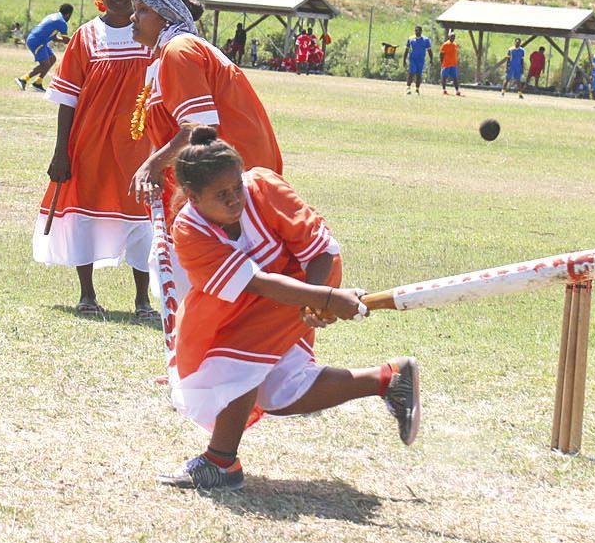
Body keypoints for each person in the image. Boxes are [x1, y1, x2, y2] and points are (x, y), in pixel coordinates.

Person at [157, 128, 420, 491]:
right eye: (222, 195)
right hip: (251, 296)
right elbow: (256, 283)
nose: (235, 200)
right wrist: (323, 300)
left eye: (237, 188)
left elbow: (321, 250)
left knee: (236, 359)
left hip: (313, 274)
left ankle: (221, 462)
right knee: (279, 391)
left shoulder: (263, 187)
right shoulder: (189, 230)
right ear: (193, 197)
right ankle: (388, 379)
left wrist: (319, 294)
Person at [38, 0, 157, 319]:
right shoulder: (86, 37)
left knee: (142, 218)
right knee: (85, 215)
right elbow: (67, 98)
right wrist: (62, 151)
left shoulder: (150, 37)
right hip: (89, 143)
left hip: (138, 144)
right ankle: (87, 296)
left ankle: (143, 301)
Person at [128, 0, 283, 253]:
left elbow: (200, 130)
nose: (133, 17)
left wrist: (151, 165)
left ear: (165, 17)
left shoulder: (179, 51)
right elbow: (173, 128)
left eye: (141, 10)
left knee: (219, 282)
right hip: (223, 180)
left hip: (227, 183)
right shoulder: (170, 54)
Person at [18, 2, 74, 92]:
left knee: (52, 59)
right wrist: (77, 39)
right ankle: (23, 79)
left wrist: (69, 39)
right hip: (37, 41)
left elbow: (54, 38)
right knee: (45, 64)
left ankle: (38, 83)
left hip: (38, 40)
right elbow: (66, 40)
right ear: (68, 14)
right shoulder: (62, 22)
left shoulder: (54, 16)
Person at [404, 27, 432, 94]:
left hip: (421, 60)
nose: (416, 32)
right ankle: (408, 87)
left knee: (419, 74)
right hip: (412, 59)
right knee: (412, 72)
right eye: (415, 31)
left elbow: (429, 50)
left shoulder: (426, 40)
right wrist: (404, 59)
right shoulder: (411, 39)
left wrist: (431, 59)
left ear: (421, 31)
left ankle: (417, 89)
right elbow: (407, 50)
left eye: (418, 31)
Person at [438, 31, 462, 96]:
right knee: (444, 77)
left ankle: (457, 91)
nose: (453, 37)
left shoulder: (455, 45)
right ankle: (444, 90)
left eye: (454, 36)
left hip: (453, 64)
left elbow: (455, 54)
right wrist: (442, 63)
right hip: (446, 64)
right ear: (449, 37)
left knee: (455, 78)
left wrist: (457, 62)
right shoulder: (445, 44)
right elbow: (441, 54)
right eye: (452, 36)